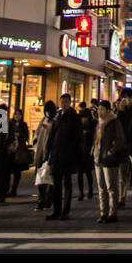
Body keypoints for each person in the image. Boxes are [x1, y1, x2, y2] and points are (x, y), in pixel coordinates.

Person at [46, 91, 82, 220]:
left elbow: (78, 138)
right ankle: (56, 210)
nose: (63, 104)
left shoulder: (74, 117)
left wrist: (76, 155)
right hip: (56, 155)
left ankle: (65, 211)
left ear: (70, 103)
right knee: (56, 184)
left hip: (68, 155)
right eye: (62, 102)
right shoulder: (58, 116)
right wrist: (48, 150)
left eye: (66, 102)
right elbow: (52, 134)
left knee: (67, 184)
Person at [94, 98, 128, 224]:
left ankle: (112, 213)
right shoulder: (99, 122)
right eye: (98, 109)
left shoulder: (114, 121)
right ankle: (103, 213)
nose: (99, 112)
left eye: (102, 109)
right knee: (101, 188)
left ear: (108, 110)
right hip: (98, 157)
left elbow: (120, 140)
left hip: (109, 159)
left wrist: (111, 152)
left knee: (111, 187)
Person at [33, 100, 57, 211]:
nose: (47, 113)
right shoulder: (44, 120)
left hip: (51, 152)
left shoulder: (56, 121)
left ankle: (48, 199)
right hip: (40, 152)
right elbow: (37, 134)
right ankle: (41, 199)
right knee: (39, 178)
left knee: (49, 178)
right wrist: (35, 140)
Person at [115, 89, 132, 209]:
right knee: (122, 173)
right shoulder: (119, 112)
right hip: (122, 146)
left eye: (126, 98)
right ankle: (122, 197)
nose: (124, 100)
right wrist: (120, 111)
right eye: (123, 98)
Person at [7, 108, 31, 197]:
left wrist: (20, 135)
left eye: (19, 114)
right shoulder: (10, 124)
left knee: (17, 172)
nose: (17, 116)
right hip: (11, 150)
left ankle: (14, 189)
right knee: (9, 171)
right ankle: (7, 189)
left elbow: (26, 137)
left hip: (20, 151)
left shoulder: (23, 125)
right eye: (16, 114)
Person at [77, 102, 95, 199]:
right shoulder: (78, 127)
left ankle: (90, 190)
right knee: (80, 173)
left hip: (88, 151)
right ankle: (81, 192)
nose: (84, 120)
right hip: (80, 151)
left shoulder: (92, 125)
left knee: (88, 172)